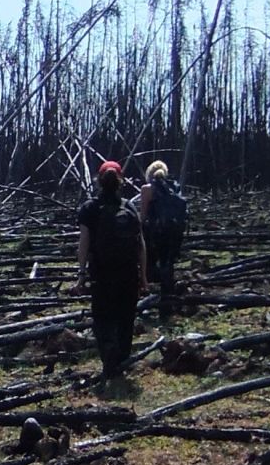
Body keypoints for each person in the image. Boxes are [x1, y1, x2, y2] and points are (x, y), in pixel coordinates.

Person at [77, 162, 147, 378]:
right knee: (125, 319)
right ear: (121, 180)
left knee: (102, 318)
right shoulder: (129, 207)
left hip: (102, 272)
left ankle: (108, 352)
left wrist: (81, 274)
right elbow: (141, 244)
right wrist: (143, 276)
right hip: (128, 273)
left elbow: (84, 243)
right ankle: (122, 362)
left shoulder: (90, 208)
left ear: (99, 180)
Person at [136, 160, 188, 319]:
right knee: (168, 266)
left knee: (148, 266)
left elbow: (143, 216)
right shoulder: (175, 188)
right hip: (173, 234)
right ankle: (167, 304)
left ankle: (145, 297)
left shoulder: (147, 189)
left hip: (154, 234)